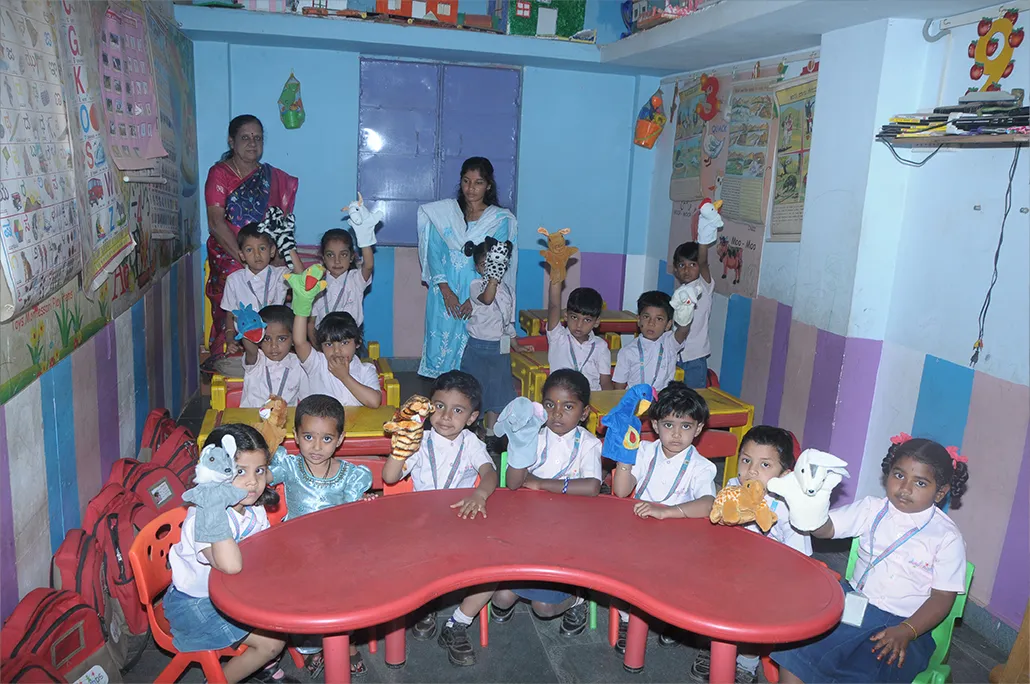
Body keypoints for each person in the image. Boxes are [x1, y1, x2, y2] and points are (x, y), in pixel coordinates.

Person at [772, 437, 969, 684]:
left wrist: (908, 630)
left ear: (940, 492)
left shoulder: (947, 537)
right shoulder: (871, 508)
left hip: (905, 625)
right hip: (852, 604)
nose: (905, 488)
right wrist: (812, 513)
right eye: (899, 475)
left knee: (867, 673)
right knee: (799, 650)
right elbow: (827, 529)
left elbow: (942, 598)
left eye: (920, 482)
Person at [381, 370, 499, 667]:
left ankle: (458, 622)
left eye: (458, 410)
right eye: (439, 406)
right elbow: (390, 477)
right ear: (428, 407)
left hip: (460, 523)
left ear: (472, 418)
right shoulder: (420, 439)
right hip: (422, 525)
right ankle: (425, 608)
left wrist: (479, 494)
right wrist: (401, 446)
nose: (446, 416)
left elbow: (490, 473)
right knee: (406, 562)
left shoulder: (471, 443)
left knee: (493, 572)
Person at [164, 424, 296, 684]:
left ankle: (260, 666)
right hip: (196, 604)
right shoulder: (205, 518)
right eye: (240, 471)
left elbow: (260, 553)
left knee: (290, 604)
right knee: (272, 643)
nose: (252, 482)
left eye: (259, 470)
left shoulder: (252, 506)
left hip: (234, 591)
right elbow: (231, 565)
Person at [690, 426, 809, 683]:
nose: (752, 471)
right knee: (708, 590)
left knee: (753, 611)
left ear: (785, 474)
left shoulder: (790, 507)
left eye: (765, 465)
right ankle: (711, 644)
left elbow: (799, 559)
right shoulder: (733, 488)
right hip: (730, 566)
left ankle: (747, 661)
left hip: (769, 577)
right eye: (746, 460)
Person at [268, 394, 373, 677]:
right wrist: (265, 442)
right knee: (302, 598)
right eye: (308, 437)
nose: (316, 447)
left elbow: (352, 516)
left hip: (336, 550)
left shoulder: (350, 475)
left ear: (340, 439)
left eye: (326, 438)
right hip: (297, 552)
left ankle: (347, 641)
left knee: (346, 591)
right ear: (295, 436)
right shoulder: (289, 467)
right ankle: (314, 646)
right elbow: (259, 477)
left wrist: (364, 506)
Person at [611, 383, 717, 657]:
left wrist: (666, 512)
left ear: (698, 429)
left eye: (686, 426)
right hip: (639, 531)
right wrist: (624, 456)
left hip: (677, 539)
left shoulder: (701, 466)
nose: (676, 434)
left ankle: (670, 620)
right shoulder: (645, 451)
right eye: (669, 425)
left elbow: (709, 504)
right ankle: (628, 620)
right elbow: (621, 491)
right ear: (656, 425)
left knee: (677, 576)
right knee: (623, 567)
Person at [492, 370, 601, 636]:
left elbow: (592, 486)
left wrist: (540, 483)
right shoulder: (535, 435)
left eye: (568, 407)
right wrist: (519, 444)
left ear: (584, 413)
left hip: (568, 532)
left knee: (543, 607)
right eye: (550, 405)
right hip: (529, 527)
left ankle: (577, 599)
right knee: (500, 599)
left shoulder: (588, 444)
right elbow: (514, 484)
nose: (557, 414)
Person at [417, 157, 518, 379]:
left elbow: (497, 261)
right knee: (441, 347)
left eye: (478, 182)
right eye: (466, 181)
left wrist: (474, 300)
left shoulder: (498, 219)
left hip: (480, 291)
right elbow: (433, 252)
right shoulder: (444, 215)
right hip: (444, 290)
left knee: (472, 351)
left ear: (488, 185)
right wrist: (446, 291)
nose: (471, 188)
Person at [205, 115, 298, 354]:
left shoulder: (272, 177)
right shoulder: (219, 173)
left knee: (276, 301)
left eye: (258, 138)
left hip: (265, 256)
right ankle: (231, 352)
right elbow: (215, 222)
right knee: (235, 300)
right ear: (231, 141)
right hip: (230, 256)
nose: (252, 143)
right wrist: (245, 258)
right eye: (245, 137)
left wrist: (269, 261)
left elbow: (278, 226)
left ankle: (273, 354)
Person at [459, 238, 520, 431]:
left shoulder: (509, 291)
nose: (491, 268)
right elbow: (487, 298)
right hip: (477, 347)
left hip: (499, 348)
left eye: (495, 263)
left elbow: (507, 322)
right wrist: (492, 278)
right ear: (477, 267)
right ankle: (474, 429)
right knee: (474, 389)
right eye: (485, 264)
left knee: (498, 390)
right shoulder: (476, 285)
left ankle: (492, 431)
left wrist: (516, 345)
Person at [221, 224, 299, 354]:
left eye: (262, 248)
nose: (257, 255)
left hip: (276, 340)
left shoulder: (280, 275)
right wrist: (230, 339)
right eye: (249, 250)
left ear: (272, 251)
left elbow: (302, 279)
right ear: (242, 255)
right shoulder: (234, 280)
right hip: (247, 340)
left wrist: (288, 246)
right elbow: (230, 315)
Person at [292, 310, 382, 408]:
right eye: (328, 344)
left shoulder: (366, 370)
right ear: (321, 346)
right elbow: (299, 342)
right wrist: (302, 306)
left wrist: (344, 377)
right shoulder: (317, 363)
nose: (336, 351)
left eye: (344, 343)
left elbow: (374, 402)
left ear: (357, 343)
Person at [612, 291, 690, 392]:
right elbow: (619, 387)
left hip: (663, 398)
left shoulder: (669, 342)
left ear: (668, 325)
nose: (651, 323)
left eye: (659, 319)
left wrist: (686, 314)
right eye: (646, 317)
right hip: (636, 398)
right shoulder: (627, 351)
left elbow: (683, 331)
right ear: (639, 320)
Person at [546, 279, 613, 392]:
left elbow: (605, 381)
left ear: (596, 322)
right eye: (574, 317)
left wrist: (610, 400)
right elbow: (554, 305)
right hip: (561, 395)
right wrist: (556, 273)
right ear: (566, 316)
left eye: (587, 320)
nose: (579, 325)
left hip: (592, 396)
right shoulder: (558, 337)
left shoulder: (601, 346)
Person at [310, 228, 373, 345]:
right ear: (323, 258)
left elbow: (368, 265)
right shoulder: (316, 285)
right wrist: (319, 351)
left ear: (351, 257)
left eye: (343, 254)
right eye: (330, 255)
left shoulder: (355, 279)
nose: (337, 261)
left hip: (350, 343)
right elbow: (311, 324)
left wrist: (364, 236)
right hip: (324, 344)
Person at [239, 305, 303, 407]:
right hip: (252, 415)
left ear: (293, 338)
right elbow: (250, 349)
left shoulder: (299, 363)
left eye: (281, 339)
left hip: (286, 415)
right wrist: (249, 328)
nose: (273, 346)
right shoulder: (256, 359)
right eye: (267, 339)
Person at [672, 239, 715, 389]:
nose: (687, 270)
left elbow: (703, 261)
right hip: (676, 355)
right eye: (682, 265)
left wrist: (704, 236)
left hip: (695, 356)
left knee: (694, 397)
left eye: (692, 265)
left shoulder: (704, 286)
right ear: (675, 269)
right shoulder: (679, 293)